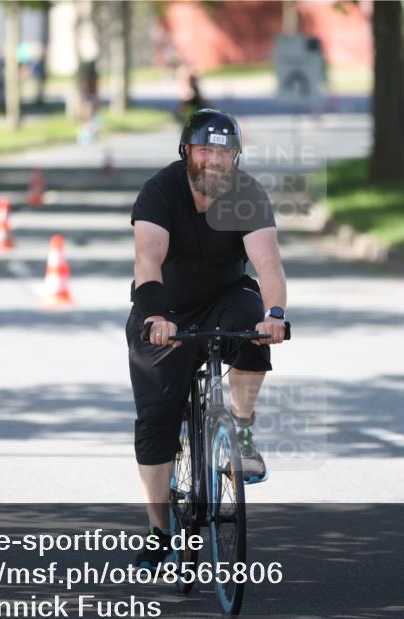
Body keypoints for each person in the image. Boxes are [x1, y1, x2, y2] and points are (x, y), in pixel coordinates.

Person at [126, 109, 288, 567]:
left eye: (224, 152)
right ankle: (159, 532)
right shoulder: (160, 191)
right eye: (205, 150)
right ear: (186, 152)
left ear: (235, 157)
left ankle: (241, 425)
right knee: (156, 419)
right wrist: (155, 315)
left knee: (251, 324)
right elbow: (148, 259)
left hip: (224, 297)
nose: (214, 160)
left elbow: (268, 264)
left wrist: (275, 314)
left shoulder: (247, 194)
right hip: (166, 310)